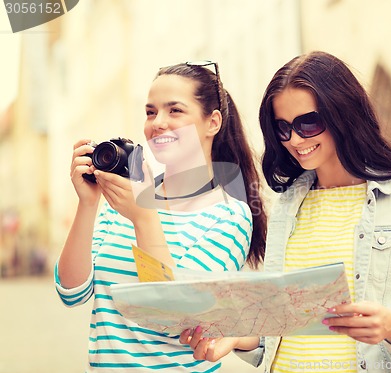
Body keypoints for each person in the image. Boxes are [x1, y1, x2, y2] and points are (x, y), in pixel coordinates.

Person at [180, 51, 391, 373]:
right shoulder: (287, 204)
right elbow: (278, 326)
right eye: (282, 127)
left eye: (308, 123)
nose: (294, 139)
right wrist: (235, 337)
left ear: (342, 114)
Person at [54, 60, 267, 372]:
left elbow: (176, 317)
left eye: (175, 110)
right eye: (151, 112)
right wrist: (87, 205)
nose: (158, 123)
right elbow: (71, 292)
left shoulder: (229, 215)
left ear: (213, 122)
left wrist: (143, 217)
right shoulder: (126, 199)